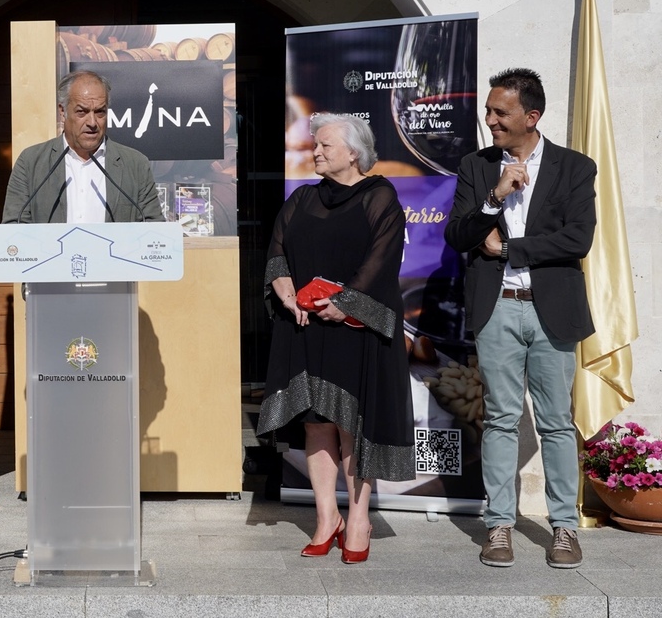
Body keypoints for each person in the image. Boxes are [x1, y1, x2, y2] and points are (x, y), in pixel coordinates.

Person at [445, 68, 595, 569]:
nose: (490, 121)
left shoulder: (576, 168)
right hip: (498, 308)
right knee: (502, 421)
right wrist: (494, 197)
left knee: (555, 423)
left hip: (553, 309)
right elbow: (458, 235)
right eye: (488, 111)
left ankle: (565, 530)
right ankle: (500, 527)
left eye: (500, 113)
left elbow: (578, 239)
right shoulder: (477, 165)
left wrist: (511, 246)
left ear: (532, 116)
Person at [255, 113, 413, 564]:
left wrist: (347, 302)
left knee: (351, 427)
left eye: (324, 145)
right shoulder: (302, 198)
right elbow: (278, 248)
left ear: (353, 152)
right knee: (315, 422)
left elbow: (382, 260)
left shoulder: (380, 195)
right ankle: (327, 518)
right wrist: (282, 285)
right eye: (315, 145)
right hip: (304, 326)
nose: (316, 152)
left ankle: (358, 517)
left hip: (353, 330)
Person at [2, 70, 164, 223]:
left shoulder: (135, 164)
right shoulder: (31, 162)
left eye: (100, 112)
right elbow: (14, 227)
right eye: (82, 112)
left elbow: (152, 227)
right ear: (62, 111)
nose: (92, 122)